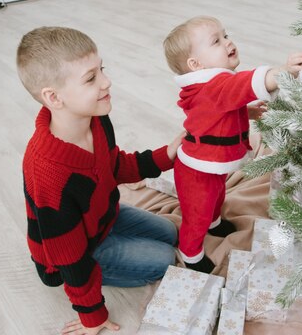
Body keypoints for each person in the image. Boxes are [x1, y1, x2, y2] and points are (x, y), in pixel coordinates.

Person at [16, 27, 183, 335]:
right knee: (165, 258)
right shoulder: (48, 172)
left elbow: (115, 165)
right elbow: (69, 256)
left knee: (171, 231)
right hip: (73, 253)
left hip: (102, 220)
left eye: (101, 70)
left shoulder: (96, 118)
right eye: (91, 78)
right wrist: (92, 315)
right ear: (53, 97)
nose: (106, 82)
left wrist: (166, 155)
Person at [163, 16, 302, 273]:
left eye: (226, 35)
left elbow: (217, 112)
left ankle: (215, 222)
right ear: (196, 64)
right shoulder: (215, 85)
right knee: (197, 215)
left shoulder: (209, 87)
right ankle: (191, 253)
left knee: (217, 195)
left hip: (211, 164)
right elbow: (246, 84)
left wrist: (247, 112)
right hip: (198, 171)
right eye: (216, 41)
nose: (228, 42)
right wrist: (284, 72)